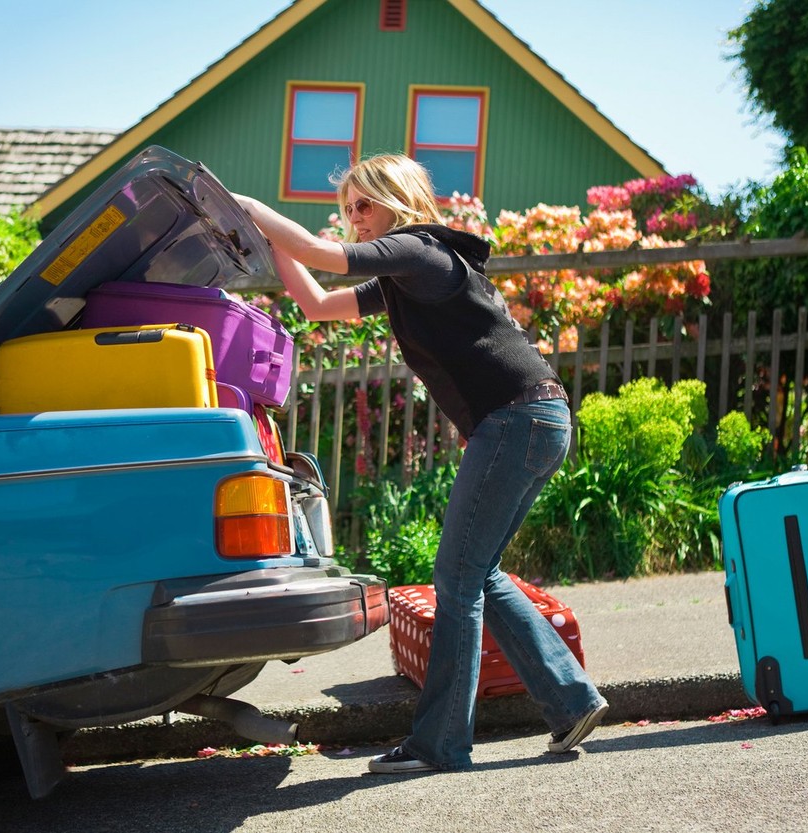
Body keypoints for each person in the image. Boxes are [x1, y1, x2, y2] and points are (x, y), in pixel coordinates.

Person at [233, 154, 608, 774]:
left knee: (456, 579)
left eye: (364, 205)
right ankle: (571, 700)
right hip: (537, 419)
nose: (355, 220)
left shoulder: (417, 250)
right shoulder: (407, 274)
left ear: (398, 201)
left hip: (516, 419)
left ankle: (439, 744)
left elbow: (319, 253)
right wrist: (270, 245)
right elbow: (320, 303)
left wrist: (249, 210)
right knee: (478, 573)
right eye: (347, 210)